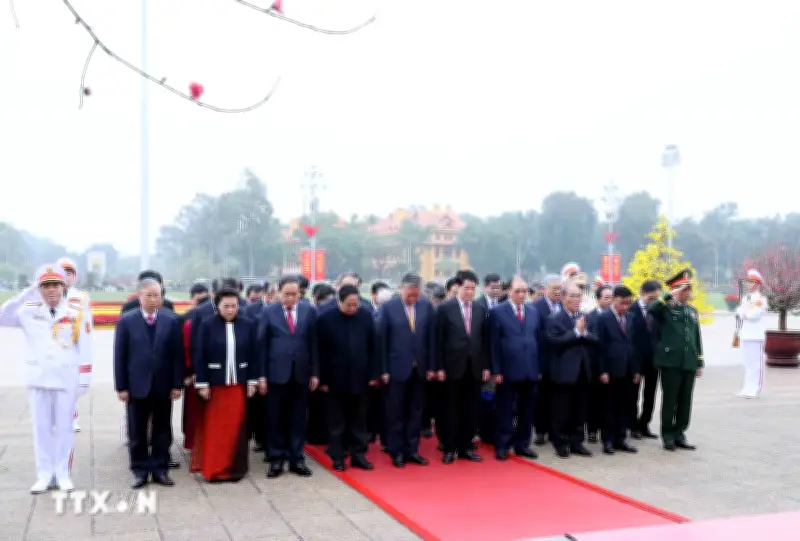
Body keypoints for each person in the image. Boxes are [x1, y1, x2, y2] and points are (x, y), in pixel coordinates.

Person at [0, 265, 92, 493]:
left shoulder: (75, 312)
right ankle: (44, 474)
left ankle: (62, 474)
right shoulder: (28, 311)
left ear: (63, 287)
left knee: (65, 428)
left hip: (65, 377)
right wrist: (26, 293)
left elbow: (85, 347)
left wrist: (84, 378)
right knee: (41, 429)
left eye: (55, 285)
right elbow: (3, 316)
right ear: (39, 288)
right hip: (38, 377)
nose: (51, 290)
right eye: (46, 286)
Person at [114, 277, 184, 488]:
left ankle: (160, 469)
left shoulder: (171, 320)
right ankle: (140, 471)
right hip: (137, 386)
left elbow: (177, 356)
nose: (153, 300)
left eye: (157, 295)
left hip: (163, 385)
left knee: (162, 430)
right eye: (149, 295)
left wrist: (177, 384)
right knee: (137, 431)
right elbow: (120, 356)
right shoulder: (127, 321)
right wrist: (122, 386)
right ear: (139, 296)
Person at [191, 287, 263, 482]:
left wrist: (252, 381)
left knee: (236, 428)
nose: (231, 310)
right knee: (216, 429)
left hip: (238, 385)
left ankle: (235, 469)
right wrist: (202, 383)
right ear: (217, 306)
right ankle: (214, 468)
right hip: (215, 385)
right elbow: (199, 355)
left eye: (234, 306)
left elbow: (254, 355)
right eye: (226, 306)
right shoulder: (207, 325)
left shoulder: (248, 324)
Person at [260, 275, 319, 478]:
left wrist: (315, 373)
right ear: (278, 292)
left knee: (298, 418)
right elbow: (262, 345)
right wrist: (262, 376)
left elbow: (313, 343)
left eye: (295, 294)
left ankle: (297, 459)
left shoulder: (308, 310)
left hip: (301, 374)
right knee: (276, 418)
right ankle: (277, 459)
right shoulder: (269, 312)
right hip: (276, 374)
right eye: (287, 294)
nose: (291, 298)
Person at [317, 284, 379, 471]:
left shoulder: (365, 316)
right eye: (349, 305)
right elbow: (320, 352)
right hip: (335, 379)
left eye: (356, 304)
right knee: (337, 421)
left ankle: (358, 455)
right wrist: (322, 379)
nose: (353, 308)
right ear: (339, 302)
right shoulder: (326, 319)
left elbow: (373, 347)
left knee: (359, 419)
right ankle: (338, 456)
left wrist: (373, 374)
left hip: (360, 378)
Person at [377, 272, 436, 468]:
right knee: (396, 413)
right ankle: (397, 451)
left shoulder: (426, 306)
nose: (413, 298)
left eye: (416, 294)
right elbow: (382, 341)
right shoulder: (389, 308)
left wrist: (431, 366)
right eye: (410, 294)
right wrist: (383, 370)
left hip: (420, 369)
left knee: (416, 412)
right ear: (401, 288)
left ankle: (412, 450)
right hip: (396, 369)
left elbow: (431, 338)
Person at [435, 269, 489, 463]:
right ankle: (450, 448)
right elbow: (438, 341)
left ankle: (466, 446)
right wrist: (439, 367)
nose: (470, 292)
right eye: (467, 288)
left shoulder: (480, 309)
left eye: (473, 288)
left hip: (474, 367)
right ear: (457, 287)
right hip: (452, 367)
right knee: (451, 409)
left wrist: (486, 367)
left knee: (471, 409)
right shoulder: (445, 308)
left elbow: (485, 341)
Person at [648, 268, 704, 452]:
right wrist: (668, 295)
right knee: (670, 400)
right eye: (685, 289)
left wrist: (699, 362)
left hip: (689, 362)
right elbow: (651, 309)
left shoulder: (692, 311)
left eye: (689, 289)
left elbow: (697, 337)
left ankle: (680, 433)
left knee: (685, 401)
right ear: (676, 290)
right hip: (671, 362)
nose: (689, 293)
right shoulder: (666, 308)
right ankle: (668, 435)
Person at [490, 276, 541, 461]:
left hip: (530, 369)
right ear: (509, 291)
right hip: (507, 370)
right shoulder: (497, 311)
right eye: (517, 291)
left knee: (527, 410)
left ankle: (522, 444)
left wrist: (538, 368)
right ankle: (503, 445)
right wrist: (496, 370)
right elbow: (493, 343)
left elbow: (538, 339)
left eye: (524, 291)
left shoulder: (532, 311)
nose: (521, 295)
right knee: (505, 409)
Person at [546, 281, 597, 459]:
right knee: (561, 410)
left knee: (580, 410)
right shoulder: (554, 319)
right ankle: (560, 443)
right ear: (563, 297)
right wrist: (575, 332)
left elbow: (595, 338)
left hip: (583, 370)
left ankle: (577, 442)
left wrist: (584, 333)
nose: (576, 299)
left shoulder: (585, 316)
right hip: (563, 372)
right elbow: (555, 342)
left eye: (578, 296)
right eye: (572, 296)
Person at [594, 286, 639, 455]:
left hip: (628, 370)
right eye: (622, 303)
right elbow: (599, 346)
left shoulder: (631, 317)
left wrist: (636, 370)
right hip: (611, 370)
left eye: (628, 303)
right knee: (609, 407)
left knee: (625, 406)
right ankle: (608, 440)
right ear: (614, 300)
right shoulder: (603, 318)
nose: (625, 307)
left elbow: (634, 345)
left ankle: (621, 439)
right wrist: (602, 370)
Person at [57, 257, 93, 434]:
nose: (65, 277)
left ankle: (71, 417)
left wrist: (86, 363)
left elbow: (86, 331)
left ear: (74, 276)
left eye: (69, 273)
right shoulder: (44, 296)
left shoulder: (81, 298)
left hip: (72, 349)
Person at [531, 274, 562, 446]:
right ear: (545, 289)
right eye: (554, 289)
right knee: (541, 398)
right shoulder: (536, 307)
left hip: (561, 360)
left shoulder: (564, 305)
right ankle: (540, 430)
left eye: (560, 289)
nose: (558, 292)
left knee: (557, 398)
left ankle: (554, 430)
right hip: (543, 359)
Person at [629, 280, 662, 439]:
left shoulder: (657, 311)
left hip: (653, 361)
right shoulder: (631, 310)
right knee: (633, 395)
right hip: (636, 360)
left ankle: (644, 424)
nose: (653, 301)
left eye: (656, 298)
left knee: (650, 395)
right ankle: (633, 426)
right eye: (651, 298)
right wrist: (633, 364)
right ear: (642, 293)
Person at [180, 285, 211, 451]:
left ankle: (195, 442)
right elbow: (186, 349)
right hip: (197, 374)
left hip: (196, 374)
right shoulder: (189, 321)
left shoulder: (190, 319)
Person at [585, 285, 612, 443]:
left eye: (611, 297)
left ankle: (607, 430)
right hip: (595, 365)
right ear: (598, 299)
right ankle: (592, 430)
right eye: (606, 297)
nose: (610, 300)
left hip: (612, 364)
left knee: (609, 400)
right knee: (593, 400)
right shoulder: (590, 317)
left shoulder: (616, 316)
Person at [736, 269, 768, 398]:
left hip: (756, 335)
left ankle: (755, 388)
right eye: (748, 281)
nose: (748, 284)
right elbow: (738, 312)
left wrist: (745, 313)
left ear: (757, 283)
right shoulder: (746, 298)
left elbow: (754, 315)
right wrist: (744, 313)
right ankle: (747, 387)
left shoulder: (761, 299)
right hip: (746, 334)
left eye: (751, 282)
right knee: (747, 364)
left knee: (756, 364)